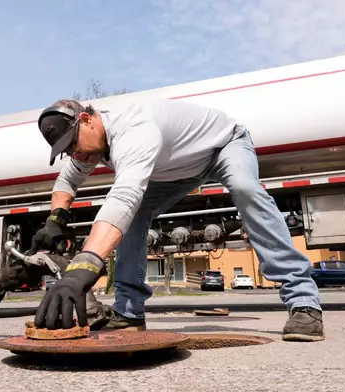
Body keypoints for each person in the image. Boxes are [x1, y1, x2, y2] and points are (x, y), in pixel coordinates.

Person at [30, 98, 325, 342]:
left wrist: (84, 266)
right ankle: (128, 313)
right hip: (178, 168)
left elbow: (123, 197)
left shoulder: (133, 129)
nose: (74, 153)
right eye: (66, 150)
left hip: (222, 145)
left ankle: (303, 303)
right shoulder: (87, 147)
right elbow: (65, 183)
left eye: (73, 143)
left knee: (245, 189)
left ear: (87, 119)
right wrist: (56, 219)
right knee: (134, 217)